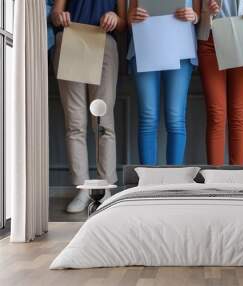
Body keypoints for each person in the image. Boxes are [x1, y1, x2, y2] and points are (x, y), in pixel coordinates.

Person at [52, 0, 126, 213]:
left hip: (103, 43)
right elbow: (56, 12)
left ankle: (105, 189)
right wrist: (60, 17)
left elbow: (123, 23)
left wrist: (115, 18)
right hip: (71, 41)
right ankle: (82, 190)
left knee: (104, 123)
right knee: (75, 123)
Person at [127, 0, 200, 165]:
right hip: (145, 47)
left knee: (176, 118)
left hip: (180, 49)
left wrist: (194, 16)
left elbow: (199, 14)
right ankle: (148, 184)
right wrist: (132, 17)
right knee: (148, 117)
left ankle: (174, 184)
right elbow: (129, 17)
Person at [197, 0, 243, 166]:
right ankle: (215, 181)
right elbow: (195, 12)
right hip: (211, 40)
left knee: (239, 114)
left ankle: (237, 181)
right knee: (216, 115)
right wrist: (207, 12)